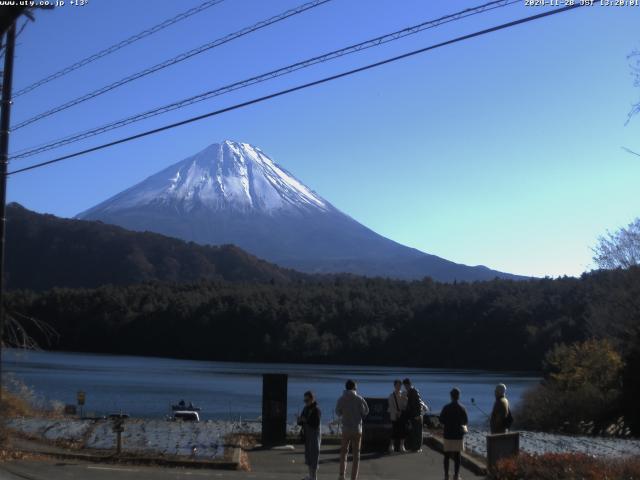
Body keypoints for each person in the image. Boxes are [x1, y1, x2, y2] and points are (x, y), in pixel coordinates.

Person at [335, 379, 369, 480]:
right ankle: (353, 477)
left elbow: (338, 412)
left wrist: (344, 412)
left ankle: (342, 475)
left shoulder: (341, 399)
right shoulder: (359, 398)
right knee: (356, 454)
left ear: (346, 387)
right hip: (357, 429)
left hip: (346, 429)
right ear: (354, 387)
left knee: (343, 452)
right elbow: (366, 411)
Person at [439, 388, 469, 480]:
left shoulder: (446, 407)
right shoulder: (462, 408)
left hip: (448, 434)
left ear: (451, 396)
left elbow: (441, 420)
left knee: (447, 456)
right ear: (458, 396)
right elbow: (465, 421)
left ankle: (446, 475)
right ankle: (456, 476)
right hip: (458, 435)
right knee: (457, 456)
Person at [297, 391, 321, 480]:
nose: (305, 402)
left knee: (314, 457)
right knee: (308, 457)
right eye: (305, 400)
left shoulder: (316, 410)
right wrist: (299, 420)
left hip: (314, 437)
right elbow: (302, 422)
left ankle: (314, 477)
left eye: (307, 400)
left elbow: (316, 424)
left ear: (312, 399)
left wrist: (305, 420)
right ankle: (310, 476)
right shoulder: (305, 408)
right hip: (307, 436)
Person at [402, 378, 425, 452]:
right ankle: (415, 447)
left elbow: (419, 404)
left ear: (409, 384)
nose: (405, 387)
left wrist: (418, 414)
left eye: (406, 385)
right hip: (413, 415)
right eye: (405, 386)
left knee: (418, 432)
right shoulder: (410, 392)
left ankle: (418, 448)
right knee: (415, 432)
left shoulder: (414, 391)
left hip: (417, 415)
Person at [387, 379, 407, 453]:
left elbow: (405, 405)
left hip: (402, 416)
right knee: (394, 431)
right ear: (394, 386)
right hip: (394, 416)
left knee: (402, 430)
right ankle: (391, 446)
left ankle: (402, 445)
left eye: (400, 385)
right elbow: (391, 406)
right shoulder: (391, 396)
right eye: (397, 385)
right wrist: (397, 412)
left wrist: (401, 412)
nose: (399, 386)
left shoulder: (403, 394)